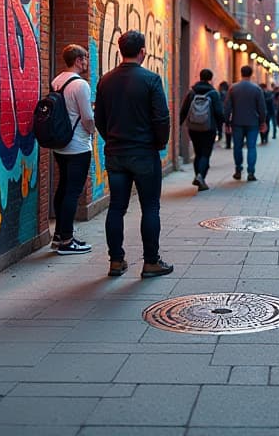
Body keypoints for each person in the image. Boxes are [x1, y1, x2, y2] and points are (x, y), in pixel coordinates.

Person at [94, 30, 174, 279]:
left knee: (116, 207)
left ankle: (116, 261)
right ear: (142, 52)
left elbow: (100, 119)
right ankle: (151, 262)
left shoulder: (105, 80)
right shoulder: (151, 79)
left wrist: (112, 139)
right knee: (150, 207)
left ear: (120, 50)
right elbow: (161, 117)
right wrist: (159, 144)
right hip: (144, 154)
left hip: (116, 153)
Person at [50, 44, 95, 254]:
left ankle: (59, 235)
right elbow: (87, 117)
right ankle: (67, 241)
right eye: (85, 58)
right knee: (72, 192)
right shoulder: (81, 85)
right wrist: (93, 131)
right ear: (78, 60)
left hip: (61, 144)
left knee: (62, 188)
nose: (86, 62)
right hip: (78, 145)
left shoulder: (57, 80)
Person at [179, 68, 224, 191]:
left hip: (193, 127)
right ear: (210, 78)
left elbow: (183, 110)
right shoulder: (213, 93)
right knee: (205, 153)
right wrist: (221, 129)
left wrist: (179, 125)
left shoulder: (192, 92)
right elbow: (219, 113)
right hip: (209, 127)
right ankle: (201, 177)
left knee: (198, 153)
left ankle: (197, 176)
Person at [226, 65, 266, 181]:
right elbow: (262, 108)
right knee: (251, 147)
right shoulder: (257, 89)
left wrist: (227, 122)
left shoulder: (233, 88)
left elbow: (227, 107)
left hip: (237, 122)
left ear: (241, 73)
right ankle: (251, 172)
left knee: (237, 147)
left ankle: (238, 170)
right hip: (253, 122)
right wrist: (262, 122)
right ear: (251, 74)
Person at [218, 81, 232, 149]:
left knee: (221, 127)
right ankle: (228, 143)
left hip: (221, 112)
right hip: (228, 113)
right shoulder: (230, 94)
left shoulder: (220, 94)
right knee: (228, 127)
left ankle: (221, 137)